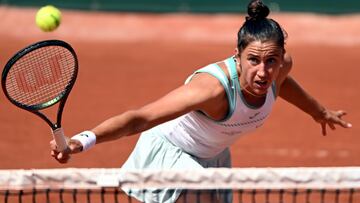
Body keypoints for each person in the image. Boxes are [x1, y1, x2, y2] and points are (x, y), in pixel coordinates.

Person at [50, 0, 352, 202]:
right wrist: (82, 141)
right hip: (173, 152)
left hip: (212, 155)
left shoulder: (280, 68)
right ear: (238, 57)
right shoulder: (211, 90)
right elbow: (142, 118)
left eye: (271, 61)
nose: (263, 71)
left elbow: (283, 85)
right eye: (254, 60)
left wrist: (318, 111)